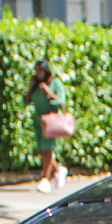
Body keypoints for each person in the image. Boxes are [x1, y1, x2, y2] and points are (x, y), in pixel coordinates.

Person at [28, 60, 67, 192]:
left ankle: (45, 178)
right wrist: (30, 88)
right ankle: (58, 170)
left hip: (50, 120)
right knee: (42, 149)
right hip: (38, 120)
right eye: (37, 70)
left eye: (41, 70)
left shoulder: (55, 83)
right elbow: (27, 100)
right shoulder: (36, 83)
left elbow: (60, 101)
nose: (39, 73)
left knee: (48, 148)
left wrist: (48, 92)